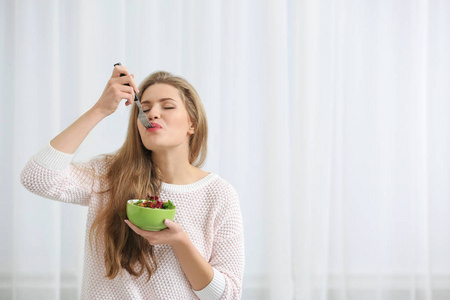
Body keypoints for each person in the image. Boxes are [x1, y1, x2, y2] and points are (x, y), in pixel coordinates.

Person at [20, 64, 245, 299]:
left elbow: (226, 296)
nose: (152, 113)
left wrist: (181, 243)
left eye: (167, 106)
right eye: (144, 108)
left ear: (192, 124)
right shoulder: (110, 175)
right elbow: (38, 177)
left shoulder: (219, 194)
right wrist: (100, 110)